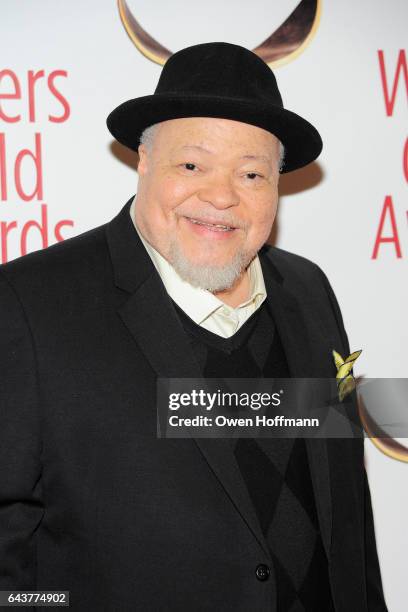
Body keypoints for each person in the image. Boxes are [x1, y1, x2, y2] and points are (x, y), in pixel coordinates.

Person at [0, 42, 388, 611]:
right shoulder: (27, 305)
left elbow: (346, 509)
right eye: (192, 165)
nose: (222, 195)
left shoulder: (309, 291)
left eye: (252, 173)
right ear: (143, 162)